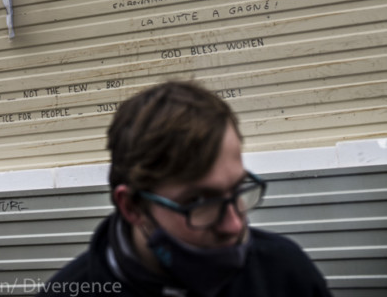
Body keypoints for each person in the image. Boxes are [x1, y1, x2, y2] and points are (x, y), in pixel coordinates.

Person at [44, 80, 333, 296]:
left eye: (237, 189)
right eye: (199, 201)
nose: (234, 226)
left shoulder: (284, 274)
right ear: (132, 206)